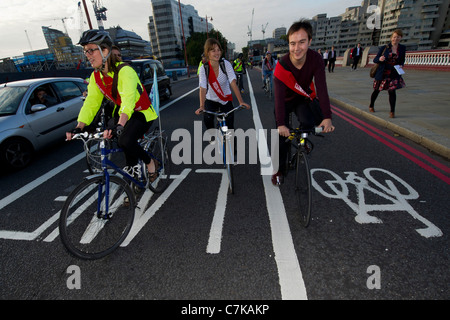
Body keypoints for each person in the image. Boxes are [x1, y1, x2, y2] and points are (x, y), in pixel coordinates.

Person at [66, 29, 159, 179]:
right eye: (85, 52)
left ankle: (149, 162)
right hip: (123, 113)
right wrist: (79, 126)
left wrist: (120, 125)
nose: (87, 56)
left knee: (126, 140)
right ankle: (133, 181)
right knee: (126, 147)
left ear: (105, 50)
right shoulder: (96, 76)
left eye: (91, 50)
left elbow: (128, 100)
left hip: (142, 112)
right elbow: (91, 103)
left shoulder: (125, 71)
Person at [272, 20, 335, 186]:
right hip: (284, 101)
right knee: (281, 140)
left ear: (310, 41)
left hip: (300, 98)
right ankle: (279, 170)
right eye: (292, 43)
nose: (296, 48)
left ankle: (302, 141)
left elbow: (322, 89)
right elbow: (278, 98)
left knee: (307, 123)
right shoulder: (282, 65)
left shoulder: (316, 59)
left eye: (302, 42)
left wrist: (327, 117)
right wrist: (281, 124)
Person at [195, 38, 250, 142]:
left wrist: (241, 101)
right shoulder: (204, 68)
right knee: (207, 118)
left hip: (225, 100)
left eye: (218, 49)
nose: (217, 53)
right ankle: (213, 136)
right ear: (207, 52)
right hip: (211, 100)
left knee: (230, 130)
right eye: (213, 50)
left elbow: (233, 83)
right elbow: (202, 88)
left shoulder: (225, 64)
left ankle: (233, 153)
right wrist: (202, 106)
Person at [369, 29, 406, 118]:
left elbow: (402, 60)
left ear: (400, 38)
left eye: (397, 37)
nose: (395, 39)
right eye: (394, 37)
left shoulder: (402, 48)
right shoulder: (384, 48)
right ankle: (371, 105)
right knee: (377, 90)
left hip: (393, 73)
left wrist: (401, 65)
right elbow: (375, 59)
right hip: (383, 72)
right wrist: (380, 59)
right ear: (391, 38)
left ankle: (392, 111)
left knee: (392, 91)